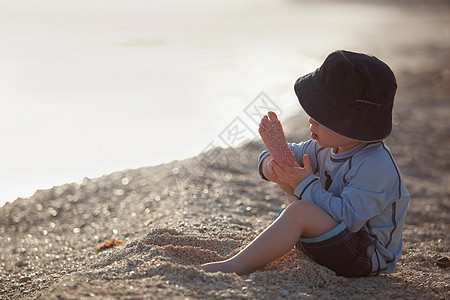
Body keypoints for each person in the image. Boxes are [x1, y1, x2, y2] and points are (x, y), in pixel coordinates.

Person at [198, 50, 410, 277]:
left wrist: (305, 184)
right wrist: (272, 165)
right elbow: (293, 154)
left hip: (365, 256)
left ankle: (234, 266)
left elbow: (349, 219)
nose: (310, 119)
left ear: (351, 124)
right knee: (291, 184)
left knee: (300, 211)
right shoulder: (326, 145)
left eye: (322, 116)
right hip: (336, 241)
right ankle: (261, 250)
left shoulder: (375, 165)